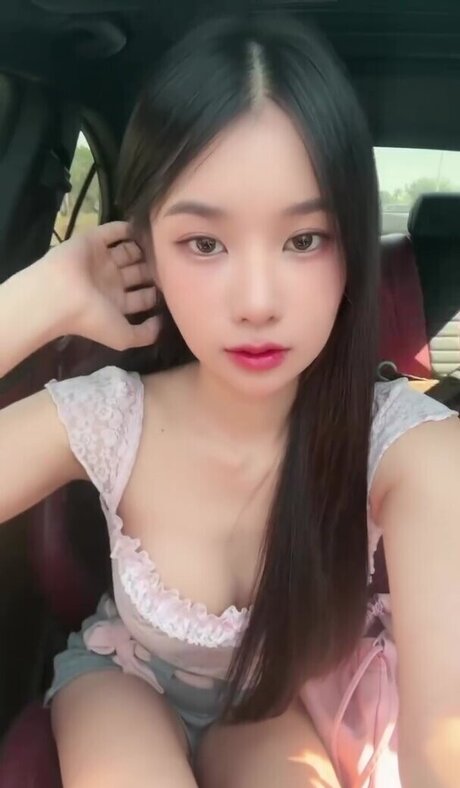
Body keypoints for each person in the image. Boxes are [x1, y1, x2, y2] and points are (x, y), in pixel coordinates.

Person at [0, 14, 459, 788]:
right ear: (146, 246)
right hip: (125, 681)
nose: (256, 303)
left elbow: (445, 741)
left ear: (351, 244)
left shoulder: (408, 448)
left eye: (304, 239)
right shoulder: (110, 419)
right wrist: (34, 301)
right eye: (204, 243)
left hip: (274, 707)